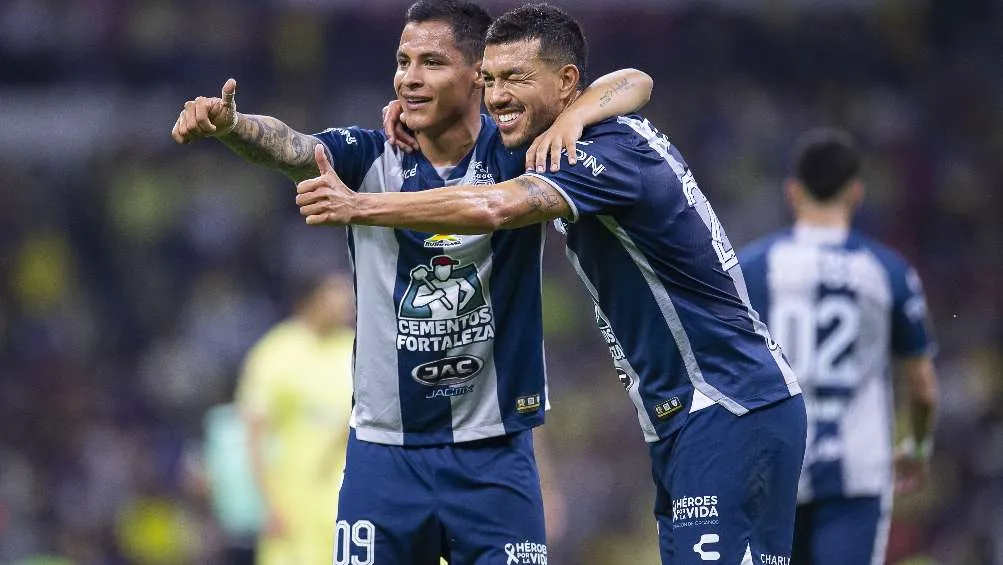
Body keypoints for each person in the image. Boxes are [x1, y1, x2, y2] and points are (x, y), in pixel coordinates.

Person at [293, 4, 807, 564]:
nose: (497, 96)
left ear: (565, 83)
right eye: (488, 80)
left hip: (728, 401)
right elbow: (632, 81)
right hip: (689, 414)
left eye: (516, 79)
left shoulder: (607, 151)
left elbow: (495, 205)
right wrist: (432, 113)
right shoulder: (578, 138)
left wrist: (361, 205)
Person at [170, 1, 653, 562]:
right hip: (384, 457)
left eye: (431, 62)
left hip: (494, 455)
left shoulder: (520, 151)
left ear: (478, 76)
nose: (409, 77)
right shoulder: (367, 154)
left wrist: (573, 117)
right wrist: (233, 125)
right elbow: (291, 145)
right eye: (403, 62)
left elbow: (634, 83)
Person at [737, 129, 940, 565]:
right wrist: (919, 448)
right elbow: (923, 389)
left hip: (772, 470)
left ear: (793, 192)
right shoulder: (887, 271)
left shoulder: (751, 268)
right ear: (855, 193)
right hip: (857, 475)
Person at [235, 272, 355, 565]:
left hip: (347, 496)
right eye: (334, 293)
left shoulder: (356, 346)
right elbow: (253, 435)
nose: (347, 302)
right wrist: (265, 504)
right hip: (294, 500)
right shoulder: (276, 352)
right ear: (309, 300)